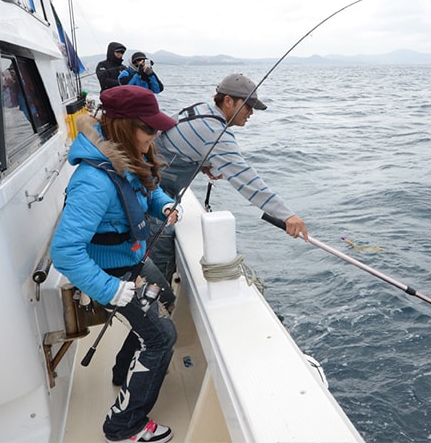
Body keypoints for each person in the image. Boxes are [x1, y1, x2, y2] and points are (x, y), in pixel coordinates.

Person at [50, 85, 179, 443]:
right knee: (162, 337)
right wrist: (113, 291)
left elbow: (148, 191)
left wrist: (165, 205)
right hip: (111, 273)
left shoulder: (124, 156)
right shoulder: (94, 182)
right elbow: (64, 252)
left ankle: (127, 373)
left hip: (134, 260)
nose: (155, 136)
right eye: (149, 129)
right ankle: (124, 427)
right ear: (124, 126)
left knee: (166, 301)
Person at [150, 73, 307, 281]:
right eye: (248, 106)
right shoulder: (216, 133)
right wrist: (287, 215)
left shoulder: (201, 109)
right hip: (151, 186)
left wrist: (203, 163)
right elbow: (248, 181)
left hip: (153, 177)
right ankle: (154, 300)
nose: (251, 113)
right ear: (228, 101)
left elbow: (179, 140)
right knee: (160, 241)